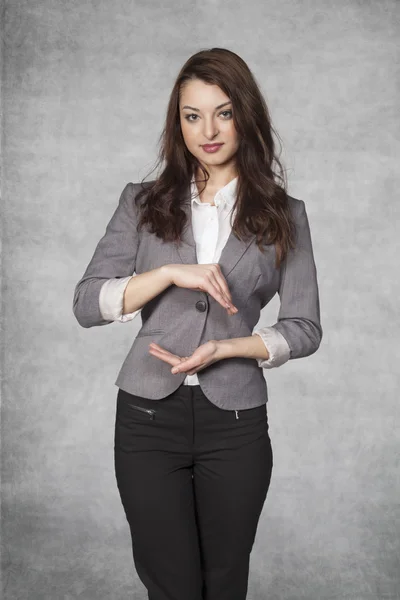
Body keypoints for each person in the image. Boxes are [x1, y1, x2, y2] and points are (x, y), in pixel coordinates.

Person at [72, 47, 322, 600]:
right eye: (192, 115)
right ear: (177, 122)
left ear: (245, 116)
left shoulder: (285, 214)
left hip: (234, 425)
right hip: (145, 418)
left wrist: (233, 347)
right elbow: (87, 302)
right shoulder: (140, 203)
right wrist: (167, 274)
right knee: (173, 586)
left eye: (223, 112)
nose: (207, 130)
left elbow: (305, 327)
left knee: (224, 583)